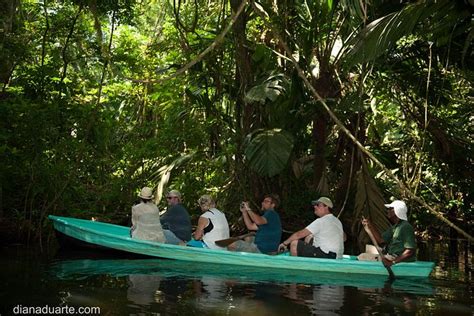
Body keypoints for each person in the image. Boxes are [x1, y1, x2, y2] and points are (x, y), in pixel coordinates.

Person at [278, 197, 344, 259]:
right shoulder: (337, 221)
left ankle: (296, 269)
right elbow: (344, 238)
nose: (315, 206)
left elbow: (299, 234)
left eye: (318, 205)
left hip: (326, 255)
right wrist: (312, 235)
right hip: (337, 256)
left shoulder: (321, 221)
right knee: (308, 238)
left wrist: (284, 243)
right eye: (315, 205)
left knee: (294, 243)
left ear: (326, 207)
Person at [359, 200, 416, 267]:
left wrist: (393, 262)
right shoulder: (395, 227)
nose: (387, 211)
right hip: (390, 257)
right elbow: (381, 240)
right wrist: (370, 226)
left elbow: (410, 251)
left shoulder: (406, 227)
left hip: (396, 259)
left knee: (362, 257)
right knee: (368, 250)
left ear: (397, 211)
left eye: (390, 209)